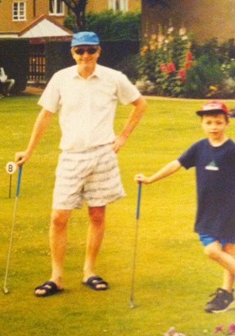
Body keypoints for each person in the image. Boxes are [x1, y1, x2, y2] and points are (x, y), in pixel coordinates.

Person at [15, 31, 147, 297]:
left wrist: (122, 136)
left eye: (91, 50)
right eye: (80, 51)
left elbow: (140, 104)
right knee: (58, 217)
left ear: (99, 51)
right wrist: (28, 151)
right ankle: (56, 277)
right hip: (71, 156)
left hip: (102, 155)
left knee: (97, 215)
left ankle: (89, 272)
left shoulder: (114, 78)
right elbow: (45, 115)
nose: (85, 56)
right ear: (73, 53)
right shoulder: (60, 79)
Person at [135, 101, 235, 313]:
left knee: (225, 249)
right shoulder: (199, 147)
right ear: (202, 124)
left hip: (230, 210)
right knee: (213, 250)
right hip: (207, 210)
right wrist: (151, 179)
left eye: (218, 122)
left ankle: (228, 292)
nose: (213, 126)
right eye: (208, 122)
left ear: (227, 123)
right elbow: (176, 164)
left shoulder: (232, 150)